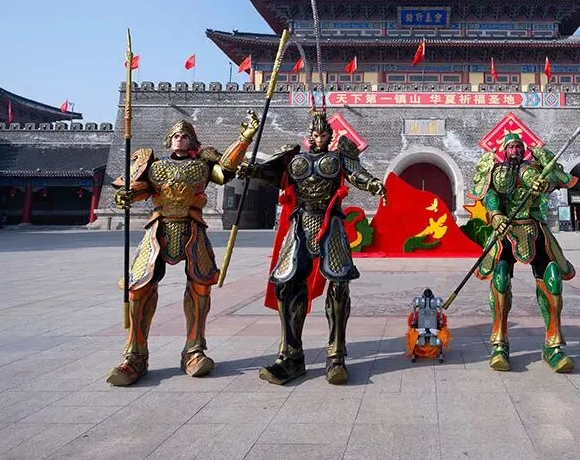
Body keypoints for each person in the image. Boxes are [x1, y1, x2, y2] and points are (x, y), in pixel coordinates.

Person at [107, 114, 260, 386]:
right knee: (139, 288)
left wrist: (244, 138)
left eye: (185, 136)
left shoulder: (202, 165)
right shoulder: (153, 165)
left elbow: (226, 170)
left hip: (192, 227)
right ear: (169, 140)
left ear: (192, 141)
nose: (180, 139)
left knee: (200, 287)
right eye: (176, 135)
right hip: (159, 228)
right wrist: (126, 195)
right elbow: (140, 190)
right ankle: (135, 355)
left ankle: (193, 350)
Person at [237, 109, 386, 385]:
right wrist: (252, 169)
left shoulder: (339, 157)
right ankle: (291, 355)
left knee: (339, 284)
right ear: (309, 136)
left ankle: (336, 354)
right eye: (315, 135)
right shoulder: (294, 159)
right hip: (301, 222)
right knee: (286, 285)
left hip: (331, 223)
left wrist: (374, 184)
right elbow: (270, 173)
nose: (319, 139)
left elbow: (357, 174)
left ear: (330, 136)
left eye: (324, 135)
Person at [469, 132, 579, 372]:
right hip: (505, 229)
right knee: (500, 279)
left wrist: (544, 185)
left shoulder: (533, 168)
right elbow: (489, 193)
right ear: (504, 150)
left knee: (552, 280)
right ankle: (500, 343)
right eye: (511, 147)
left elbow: (553, 183)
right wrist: (495, 214)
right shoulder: (496, 170)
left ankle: (553, 345)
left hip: (534, 228)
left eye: (519, 147)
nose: (515, 150)